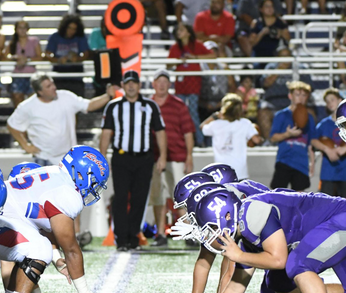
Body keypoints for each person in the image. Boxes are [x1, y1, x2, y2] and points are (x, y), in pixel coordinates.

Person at [189, 188, 346, 293]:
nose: (209, 236)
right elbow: (236, 286)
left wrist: (240, 255)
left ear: (227, 216)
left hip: (342, 219)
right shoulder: (244, 230)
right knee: (277, 279)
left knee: (298, 264)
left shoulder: (253, 213)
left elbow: (279, 260)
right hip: (336, 222)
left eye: (211, 228)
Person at [0, 145, 111, 293]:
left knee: (33, 248)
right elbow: (71, 248)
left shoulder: (53, 173)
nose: (93, 188)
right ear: (81, 174)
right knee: (39, 249)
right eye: (94, 181)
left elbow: (45, 223)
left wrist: (58, 260)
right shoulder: (68, 193)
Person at [100, 70, 167, 251]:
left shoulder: (150, 106)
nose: (131, 86)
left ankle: (133, 238)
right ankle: (121, 239)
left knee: (140, 199)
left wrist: (163, 156)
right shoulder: (113, 106)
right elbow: (106, 134)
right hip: (121, 158)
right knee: (120, 198)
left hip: (144, 158)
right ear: (123, 85)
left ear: (139, 85)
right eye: (127, 83)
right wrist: (102, 158)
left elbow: (160, 131)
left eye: (134, 83)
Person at [7, 72, 118, 166]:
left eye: (52, 83)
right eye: (48, 86)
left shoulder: (66, 96)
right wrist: (25, 145)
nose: (53, 87)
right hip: (43, 160)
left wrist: (108, 96)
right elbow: (12, 125)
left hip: (68, 159)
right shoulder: (27, 107)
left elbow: (89, 105)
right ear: (39, 92)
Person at [148, 69, 195, 247]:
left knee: (181, 197)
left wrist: (189, 156)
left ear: (169, 84)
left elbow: (188, 132)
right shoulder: (148, 104)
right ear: (153, 84)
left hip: (177, 157)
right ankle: (160, 234)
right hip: (154, 158)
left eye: (164, 81)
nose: (161, 85)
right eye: (158, 81)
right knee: (158, 196)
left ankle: (188, 232)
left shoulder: (178, 104)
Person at [167, 22, 214, 146]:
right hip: (180, 85)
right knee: (179, 115)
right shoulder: (175, 47)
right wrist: (178, 61)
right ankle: (180, 142)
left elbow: (212, 55)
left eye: (181, 30)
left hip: (193, 84)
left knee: (193, 113)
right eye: (177, 30)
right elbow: (168, 64)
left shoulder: (196, 45)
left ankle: (199, 141)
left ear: (188, 32)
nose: (179, 32)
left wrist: (194, 57)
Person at [200, 94, 263, 180]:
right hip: (240, 172)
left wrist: (214, 116)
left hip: (221, 173)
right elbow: (256, 140)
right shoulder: (245, 123)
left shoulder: (215, 124)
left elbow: (202, 127)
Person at [269, 81, 316, 191]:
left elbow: (310, 143)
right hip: (284, 160)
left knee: (299, 196)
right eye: (297, 94)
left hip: (302, 163)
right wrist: (288, 134)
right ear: (290, 96)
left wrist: (312, 163)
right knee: (279, 194)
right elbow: (273, 137)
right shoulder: (281, 115)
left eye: (304, 95)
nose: (301, 98)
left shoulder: (309, 118)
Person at [311, 89, 346, 198]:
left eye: (332, 100)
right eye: (327, 101)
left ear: (340, 100)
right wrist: (327, 149)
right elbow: (313, 140)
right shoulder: (324, 124)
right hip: (329, 172)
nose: (330, 103)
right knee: (326, 205)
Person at [45, 14, 90, 97]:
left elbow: (86, 53)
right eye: (69, 28)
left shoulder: (80, 37)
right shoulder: (55, 37)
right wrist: (58, 60)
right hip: (59, 73)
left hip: (76, 74)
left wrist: (78, 59)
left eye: (74, 29)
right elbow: (47, 54)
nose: (71, 31)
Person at [198, 40, 236, 125]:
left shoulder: (224, 67)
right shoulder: (198, 68)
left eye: (214, 51)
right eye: (209, 51)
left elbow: (232, 87)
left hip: (221, 103)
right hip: (203, 104)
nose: (212, 53)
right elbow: (194, 89)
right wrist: (204, 104)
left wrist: (222, 102)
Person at [6, 20, 42, 107]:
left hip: (31, 75)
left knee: (33, 104)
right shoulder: (13, 43)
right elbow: (4, 56)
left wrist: (27, 59)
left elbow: (40, 57)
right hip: (18, 76)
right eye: (20, 28)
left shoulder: (34, 41)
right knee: (19, 105)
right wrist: (15, 58)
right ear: (16, 30)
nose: (22, 30)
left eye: (24, 28)